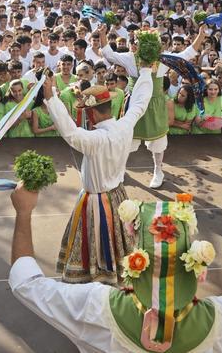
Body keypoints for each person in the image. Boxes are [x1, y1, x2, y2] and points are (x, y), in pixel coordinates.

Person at [8, 184, 222, 352]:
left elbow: (25, 283)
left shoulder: (94, 307)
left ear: (133, 260)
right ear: (194, 265)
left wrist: (24, 212)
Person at [40, 63, 154, 284]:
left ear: (92, 114)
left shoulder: (95, 140)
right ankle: (118, 276)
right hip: (118, 196)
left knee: (94, 242)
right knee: (119, 241)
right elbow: (140, 103)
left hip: (96, 201)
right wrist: (147, 72)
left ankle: (95, 277)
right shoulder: (125, 126)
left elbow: (70, 133)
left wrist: (51, 97)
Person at [102, 25, 207, 188]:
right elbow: (109, 54)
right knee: (127, 140)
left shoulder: (164, 59)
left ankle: (158, 171)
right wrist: (103, 34)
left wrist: (201, 35)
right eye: (138, 43)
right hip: (134, 104)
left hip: (156, 104)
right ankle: (119, 169)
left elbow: (186, 54)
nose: (138, 46)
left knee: (158, 141)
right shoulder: (131, 58)